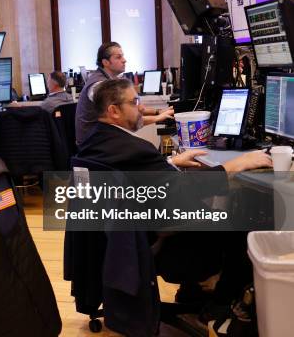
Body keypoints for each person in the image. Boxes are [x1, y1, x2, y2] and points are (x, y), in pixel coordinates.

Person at [76, 78, 272, 325]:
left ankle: (192, 292)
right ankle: (221, 305)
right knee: (243, 221)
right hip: (157, 243)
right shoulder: (132, 149)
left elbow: (137, 178)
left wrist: (169, 164)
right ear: (113, 111)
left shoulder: (95, 142)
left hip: (120, 240)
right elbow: (183, 190)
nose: (140, 108)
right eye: (134, 102)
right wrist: (237, 164)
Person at [75, 41, 174, 144]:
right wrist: (157, 118)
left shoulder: (110, 80)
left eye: (123, 56)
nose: (124, 60)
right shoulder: (98, 85)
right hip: (92, 145)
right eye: (118, 57)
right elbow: (126, 116)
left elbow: (131, 107)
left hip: (102, 138)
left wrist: (158, 112)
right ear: (105, 62)